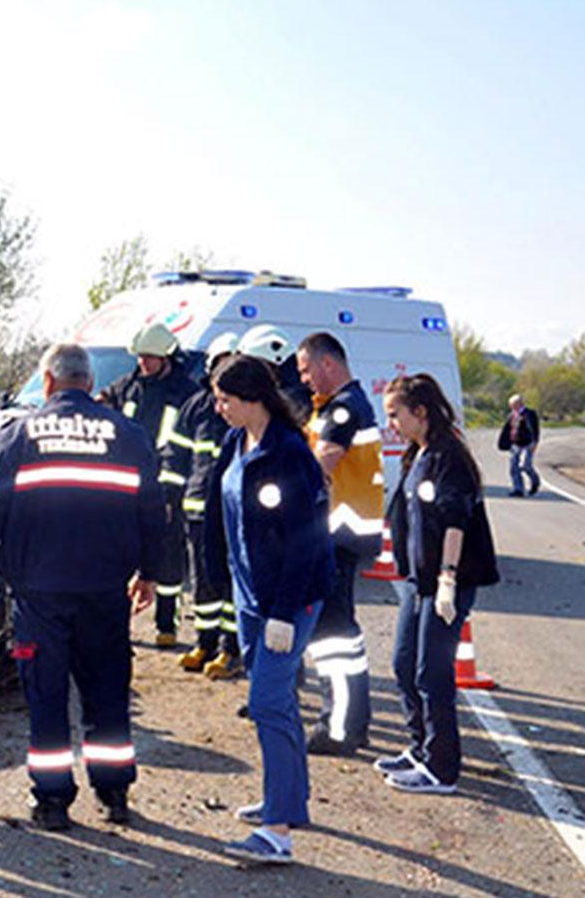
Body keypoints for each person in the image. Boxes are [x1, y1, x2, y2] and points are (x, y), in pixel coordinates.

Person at [0, 343, 171, 831]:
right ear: (90, 384)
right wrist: (151, 572)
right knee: (107, 693)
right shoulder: (128, 435)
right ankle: (114, 792)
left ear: (48, 382)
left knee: (47, 699)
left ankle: (52, 803)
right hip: (104, 592)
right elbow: (152, 514)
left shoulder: (18, 433)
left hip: (39, 595)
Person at [201, 354, 333, 865]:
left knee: (267, 702)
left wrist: (283, 611)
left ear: (253, 398)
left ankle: (277, 833)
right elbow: (221, 512)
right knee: (274, 706)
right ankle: (287, 802)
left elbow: (305, 541)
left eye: (225, 400)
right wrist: (219, 579)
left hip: (288, 600)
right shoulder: (237, 441)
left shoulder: (290, 454)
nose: (219, 408)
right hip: (250, 596)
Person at [380, 374, 499, 794]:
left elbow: (454, 519)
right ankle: (420, 748)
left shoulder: (449, 457)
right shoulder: (419, 453)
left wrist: (447, 579)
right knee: (403, 664)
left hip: (444, 583)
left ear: (420, 412)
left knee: (433, 673)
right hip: (418, 582)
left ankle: (442, 769)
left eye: (395, 414)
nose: (390, 422)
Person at [294, 332, 382, 756]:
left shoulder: (344, 409)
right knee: (336, 634)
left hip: (339, 535)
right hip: (341, 534)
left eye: (307, 369)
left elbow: (319, 463)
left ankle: (341, 728)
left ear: (328, 364)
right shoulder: (337, 406)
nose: (305, 379)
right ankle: (347, 722)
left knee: (335, 637)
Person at [103, 322, 198, 646]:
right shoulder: (125, 387)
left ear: (166, 356)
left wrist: (172, 488)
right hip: (125, 482)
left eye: (150, 358)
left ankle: (166, 626)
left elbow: (184, 444)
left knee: (168, 555)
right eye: (140, 357)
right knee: (119, 552)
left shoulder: (186, 392)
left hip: (165, 484)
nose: (143, 363)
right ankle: (117, 622)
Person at [168, 332, 241, 678]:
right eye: (220, 362)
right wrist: (170, 498)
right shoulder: (196, 405)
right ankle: (204, 643)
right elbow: (176, 456)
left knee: (231, 583)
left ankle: (230, 649)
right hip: (198, 509)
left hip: (234, 511)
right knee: (203, 581)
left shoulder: (245, 407)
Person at [497, 394, 541, 497]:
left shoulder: (530, 414)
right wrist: (504, 443)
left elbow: (535, 429)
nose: (511, 407)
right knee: (514, 467)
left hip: (527, 444)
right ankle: (518, 489)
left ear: (519, 403)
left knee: (526, 466)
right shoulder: (512, 416)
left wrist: (534, 442)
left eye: (513, 405)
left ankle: (535, 481)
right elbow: (507, 430)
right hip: (515, 445)